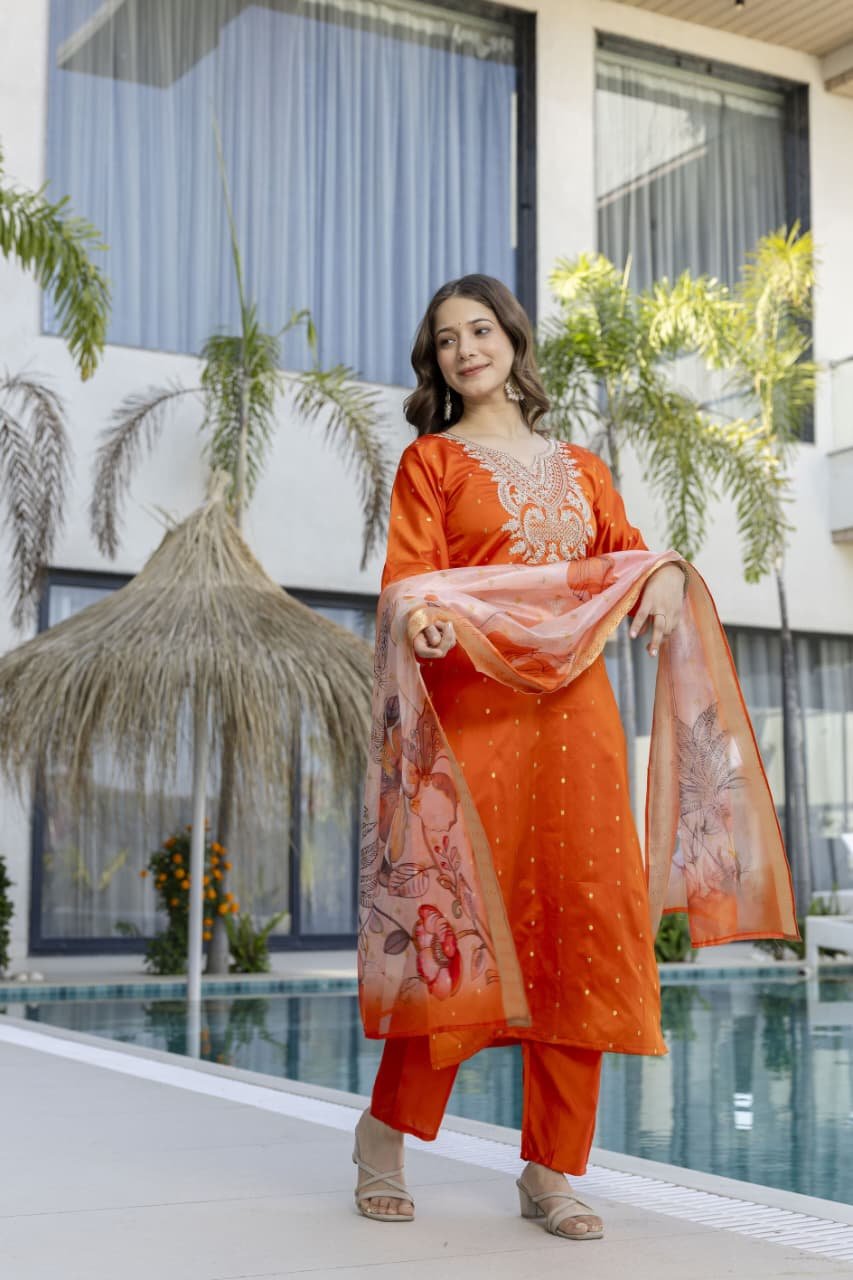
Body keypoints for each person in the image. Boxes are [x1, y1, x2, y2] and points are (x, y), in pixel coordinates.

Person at [352, 274, 688, 1240]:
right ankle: (384, 1135)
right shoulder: (431, 463)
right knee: (453, 924)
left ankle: (551, 1168)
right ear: (436, 362)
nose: (465, 349)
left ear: (511, 340)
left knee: (582, 924)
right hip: (474, 711)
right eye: (445, 339)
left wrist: (666, 571)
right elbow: (409, 579)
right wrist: (419, 620)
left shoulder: (581, 468)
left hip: (575, 717)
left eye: (479, 330)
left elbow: (625, 554)